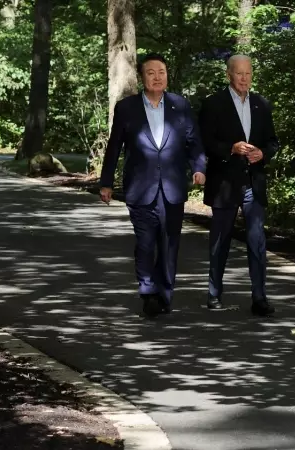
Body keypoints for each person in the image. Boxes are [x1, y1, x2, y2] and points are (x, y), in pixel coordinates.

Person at [99, 52, 206, 318]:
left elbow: (194, 142)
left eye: (162, 72)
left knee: (170, 244)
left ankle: (165, 293)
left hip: (172, 189)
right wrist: (106, 182)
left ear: (167, 76)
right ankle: (148, 292)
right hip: (140, 187)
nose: (157, 77)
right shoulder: (127, 108)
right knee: (146, 243)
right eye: (151, 73)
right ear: (142, 77)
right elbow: (114, 147)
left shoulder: (180, 105)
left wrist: (199, 168)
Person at [199, 54, 279, 316]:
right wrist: (230, 149)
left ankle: (259, 297)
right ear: (228, 75)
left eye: (248, 73)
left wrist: (263, 154)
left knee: (257, 240)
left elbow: (272, 141)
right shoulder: (213, 104)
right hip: (224, 183)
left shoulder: (261, 104)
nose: (244, 78)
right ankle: (214, 293)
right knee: (220, 240)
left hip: (253, 183)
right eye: (239, 73)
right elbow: (204, 142)